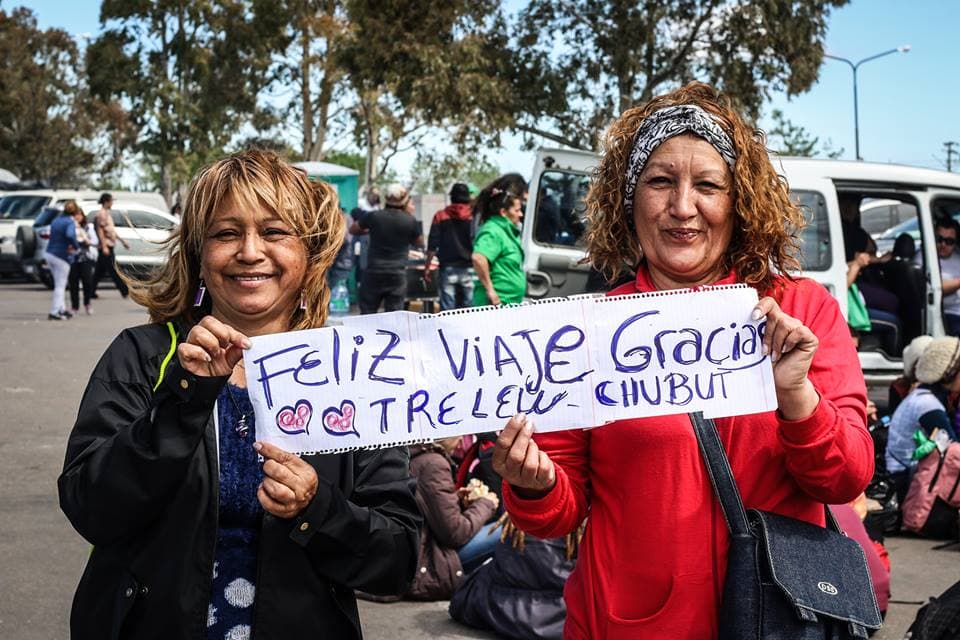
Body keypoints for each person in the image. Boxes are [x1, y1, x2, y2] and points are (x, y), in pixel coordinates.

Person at [491, 82, 873, 639]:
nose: (682, 207)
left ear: (740, 200)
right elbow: (558, 513)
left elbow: (847, 477)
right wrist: (532, 482)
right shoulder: (587, 331)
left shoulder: (804, 309)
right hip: (628, 624)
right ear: (630, 198)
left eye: (709, 185)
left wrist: (798, 398)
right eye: (660, 181)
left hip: (782, 622)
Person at [58, 150, 421, 639]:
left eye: (274, 232)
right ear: (199, 255)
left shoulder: (353, 372)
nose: (250, 252)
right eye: (226, 233)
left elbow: (395, 560)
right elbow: (91, 509)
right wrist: (184, 401)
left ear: (309, 252)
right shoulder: (143, 357)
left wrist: (317, 510)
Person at [406, 437, 499, 600]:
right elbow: (456, 533)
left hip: (409, 556)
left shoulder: (410, 456)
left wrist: (456, 500)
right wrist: (486, 504)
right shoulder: (434, 464)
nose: (462, 437)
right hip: (428, 563)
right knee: (510, 528)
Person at [885, 336, 960, 505]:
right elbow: (952, 450)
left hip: (902, 475)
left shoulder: (922, 396)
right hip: (906, 482)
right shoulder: (928, 405)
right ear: (950, 373)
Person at [350, 183, 423, 314]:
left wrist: (371, 231)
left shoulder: (374, 216)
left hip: (374, 272)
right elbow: (419, 243)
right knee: (394, 316)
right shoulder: (410, 220)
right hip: (397, 274)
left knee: (367, 313)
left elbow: (353, 229)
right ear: (405, 200)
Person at [424, 182, 475, 310]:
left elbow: (432, 244)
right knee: (470, 311)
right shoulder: (474, 217)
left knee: (448, 311)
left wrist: (428, 267)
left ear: (452, 197)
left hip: (447, 268)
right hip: (470, 268)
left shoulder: (440, 216)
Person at [472, 189, 525, 306]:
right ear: (503, 212)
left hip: (508, 304)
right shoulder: (493, 231)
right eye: (517, 210)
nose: (521, 214)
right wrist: (490, 290)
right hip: (495, 304)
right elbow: (479, 258)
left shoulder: (506, 231)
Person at [43, 204, 80, 320]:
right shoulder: (69, 222)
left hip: (49, 253)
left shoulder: (56, 220)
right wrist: (76, 246)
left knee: (59, 284)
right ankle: (54, 312)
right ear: (74, 212)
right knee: (60, 285)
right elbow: (70, 234)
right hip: (61, 256)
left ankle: (61, 309)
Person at [91, 192, 130, 299]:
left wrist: (122, 241)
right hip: (106, 247)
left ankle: (90, 290)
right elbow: (100, 231)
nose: (112, 203)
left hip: (108, 246)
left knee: (99, 272)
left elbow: (111, 231)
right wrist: (104, 246)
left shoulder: (107, 214)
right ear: (106, 202)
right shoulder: (101, 215)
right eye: (111, 201)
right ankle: (124, 291)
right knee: (114, 270)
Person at [66, 201, 97, 316]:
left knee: (87, 282)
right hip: (73, 259)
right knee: (73, 283)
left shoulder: (88, 227)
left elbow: (95, 241)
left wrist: (86, 241)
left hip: (86, 258)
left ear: (83, 216)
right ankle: (74, 307)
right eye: (74, 215)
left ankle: (87, 303)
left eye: (79, 214)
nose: (77, 217)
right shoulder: (69, 227)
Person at [932, 217, 960, 336]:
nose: (943, 244)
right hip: (947, 314)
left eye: (949, 241)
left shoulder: (957, 256)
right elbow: (937, 288)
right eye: (939, 239)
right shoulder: (925, 258)